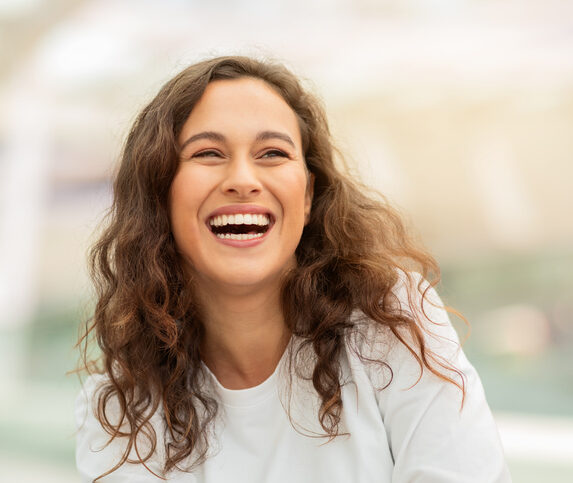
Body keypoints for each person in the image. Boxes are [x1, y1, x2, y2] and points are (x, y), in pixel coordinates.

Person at [75, 56, 511, 482]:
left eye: (272, 153)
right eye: (208, 153)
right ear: (160, 194)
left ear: (306, 199)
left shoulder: (394, 320)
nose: (242, 178)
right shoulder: (119, 409)